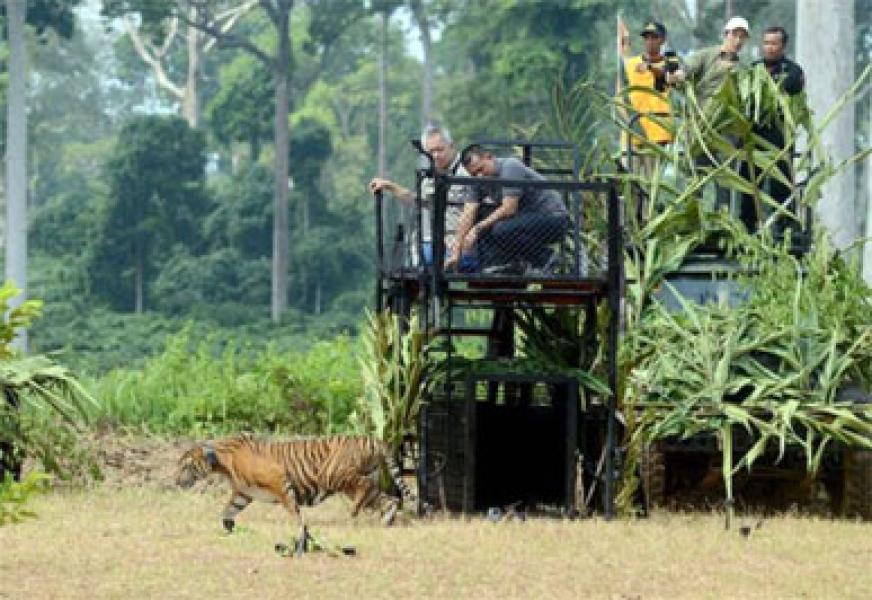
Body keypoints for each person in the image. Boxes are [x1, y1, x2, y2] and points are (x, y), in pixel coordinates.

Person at [448, 145, 569, 274]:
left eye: (481, 169)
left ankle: (547, 258)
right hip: (523, 220)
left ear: (489, 157)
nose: (479, 176)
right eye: (474, 174)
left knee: (500, 229)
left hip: (552, 218)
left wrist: (477, 229)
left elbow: (509, 208)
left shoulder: (510, 166)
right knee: (482, 217)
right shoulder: (477, 181)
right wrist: (456, 251)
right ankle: (505, 264)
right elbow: (468, 213)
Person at [368, 123, 472, 268]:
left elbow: (474, 210)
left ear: (451, 146)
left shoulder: (468, 170)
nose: (436, 155)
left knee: (427, 258)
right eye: (431, 151)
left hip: (461, 242)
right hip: (433, 241)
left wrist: (460, 242)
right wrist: (389, 186)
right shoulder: (430, 175)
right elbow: (417, 200)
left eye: (440, 149)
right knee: (412, 259)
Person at [741, 25, 806, 235]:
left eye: (774, 43)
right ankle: (747, 227)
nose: (769, 48)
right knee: (749, 182)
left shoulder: (793, 70)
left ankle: (784, 227)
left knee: (781, 183)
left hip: (780, 137)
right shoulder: (753, 68)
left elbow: (793, 86)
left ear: (783, 46)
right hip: (754, 136)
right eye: (766, 43)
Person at [621, 19, 679, 224]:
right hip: (632, 132)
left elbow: (669, 79)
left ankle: (647, 223)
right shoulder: (631, 64)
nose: (650, 41)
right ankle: (627, 224)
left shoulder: (671, 61)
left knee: (650, 185)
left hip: (656, 134)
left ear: (662, 40)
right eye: (646, 37)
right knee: (628, 181)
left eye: (654, 37)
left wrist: (651, 68)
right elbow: (622, 78)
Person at [670, 16, 751, 106]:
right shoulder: (705, 56)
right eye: (734, 35)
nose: (738, 40)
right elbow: (685, 70)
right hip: (701, 112)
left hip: (727, 113)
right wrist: (677, 75)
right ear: (725, 34)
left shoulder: (743, 70)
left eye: (742, 37)